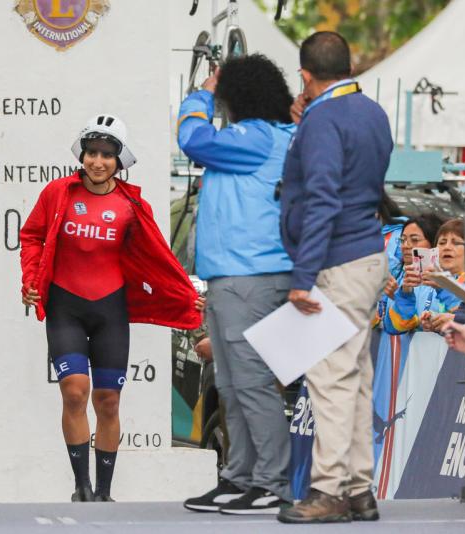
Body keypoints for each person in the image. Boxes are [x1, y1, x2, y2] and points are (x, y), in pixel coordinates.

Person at [20, 114, 202, 502]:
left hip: (110, 311)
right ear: (81, 155)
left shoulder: (131, 204)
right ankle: (81, 487)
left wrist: (185, 293)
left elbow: (159, 257)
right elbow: (32, 236)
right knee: (74, 392)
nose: (97, 161)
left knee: (108, 400)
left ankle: (104, 492)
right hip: (65, 307)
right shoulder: (57, 193)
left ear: (120, 161)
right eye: (91, 153)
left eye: (106, 154)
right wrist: (31, 282)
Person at [275, 32, 393, 524]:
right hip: (366, 253)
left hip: (336, 262)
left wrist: (303, 276)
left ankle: (327, 491)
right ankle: (360, 489)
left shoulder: (324, 119)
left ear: (305, 76)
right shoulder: (373, 111)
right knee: (357, 376)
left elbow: (323, 197)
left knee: (330, 378)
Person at [177, 54, 295, 515]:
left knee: (250, 383)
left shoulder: (258, 136)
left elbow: (192, 137)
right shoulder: (261, 138)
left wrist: (201, 93)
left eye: (225, 97)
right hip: (235, 277)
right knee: (231, 384)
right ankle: (240, 476)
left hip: (251, 277)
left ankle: (271, 482)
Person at [384, 218, 464, 336]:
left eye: (456, 243)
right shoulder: (412, 280)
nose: (447, 247)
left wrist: (444, 287)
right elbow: (393, 328)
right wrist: (404, 295)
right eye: (442, 242)